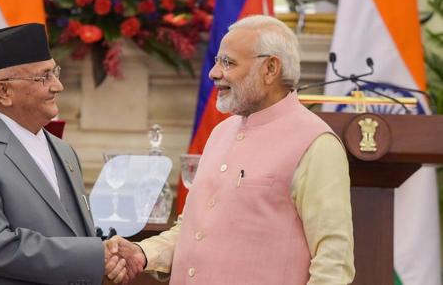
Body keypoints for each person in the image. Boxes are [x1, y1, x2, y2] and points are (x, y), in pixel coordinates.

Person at [108, 15, 355, 284]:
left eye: (228, 62)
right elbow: (194, 229)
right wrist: (144, 252)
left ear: (270, 68)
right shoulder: (221, 133)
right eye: (216, 61)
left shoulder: (316, 143)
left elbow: (334, 260)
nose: (214, 73)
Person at [0, 23, 127, 285]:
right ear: (4, 92)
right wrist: (95, 255)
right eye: (44, 77)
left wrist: (109, 255)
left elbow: (75, 232)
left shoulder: (64, 151)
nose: (58, 86)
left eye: (55, 72)